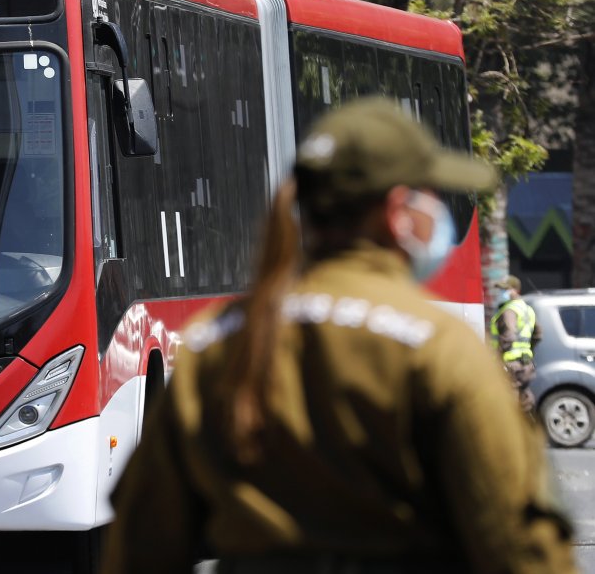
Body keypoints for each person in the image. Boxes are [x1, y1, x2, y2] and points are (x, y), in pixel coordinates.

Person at [100, 98, 575, 574]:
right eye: (432, 196)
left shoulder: (215, 344)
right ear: (398, 213)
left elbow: (139, 547)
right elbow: (524, 552)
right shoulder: (441, 350)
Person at [491, 274, 541, 414]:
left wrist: (496, 357)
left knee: (509, 405)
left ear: (515, 290)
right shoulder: (527, 309)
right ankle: (530, 430)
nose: (501, 293)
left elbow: (509, 337)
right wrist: (526, 350)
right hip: (525, 364)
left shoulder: (509, 310)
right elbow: (538, 334)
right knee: (524, 399)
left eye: (504, 289)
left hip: (511, 364)